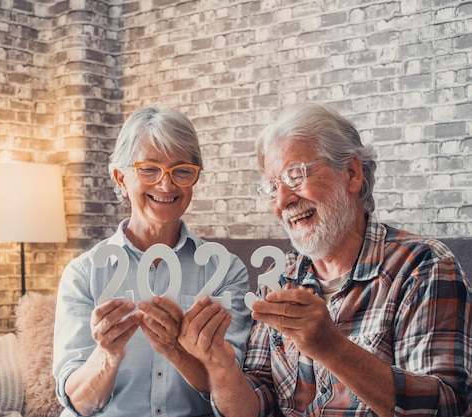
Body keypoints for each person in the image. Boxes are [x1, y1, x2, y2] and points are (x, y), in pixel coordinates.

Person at [179, 102, 472, 416]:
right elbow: (257, 403)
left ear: (351, 173)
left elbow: (448, 405)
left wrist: (333, 349)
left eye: (296, 177)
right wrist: (220, 367)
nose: (282, 201)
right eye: (273, 186)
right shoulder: (284, 274)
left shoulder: (423, 266)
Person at [52, 105, 253, 417]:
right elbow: (78, 402)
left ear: (194, 179)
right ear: (121, 178)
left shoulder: (225, 270)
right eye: (149, 169)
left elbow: (230, 390)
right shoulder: (84, 272)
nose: (166, 185)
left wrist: (176, 350)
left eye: (182, 170)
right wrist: (107, 354)